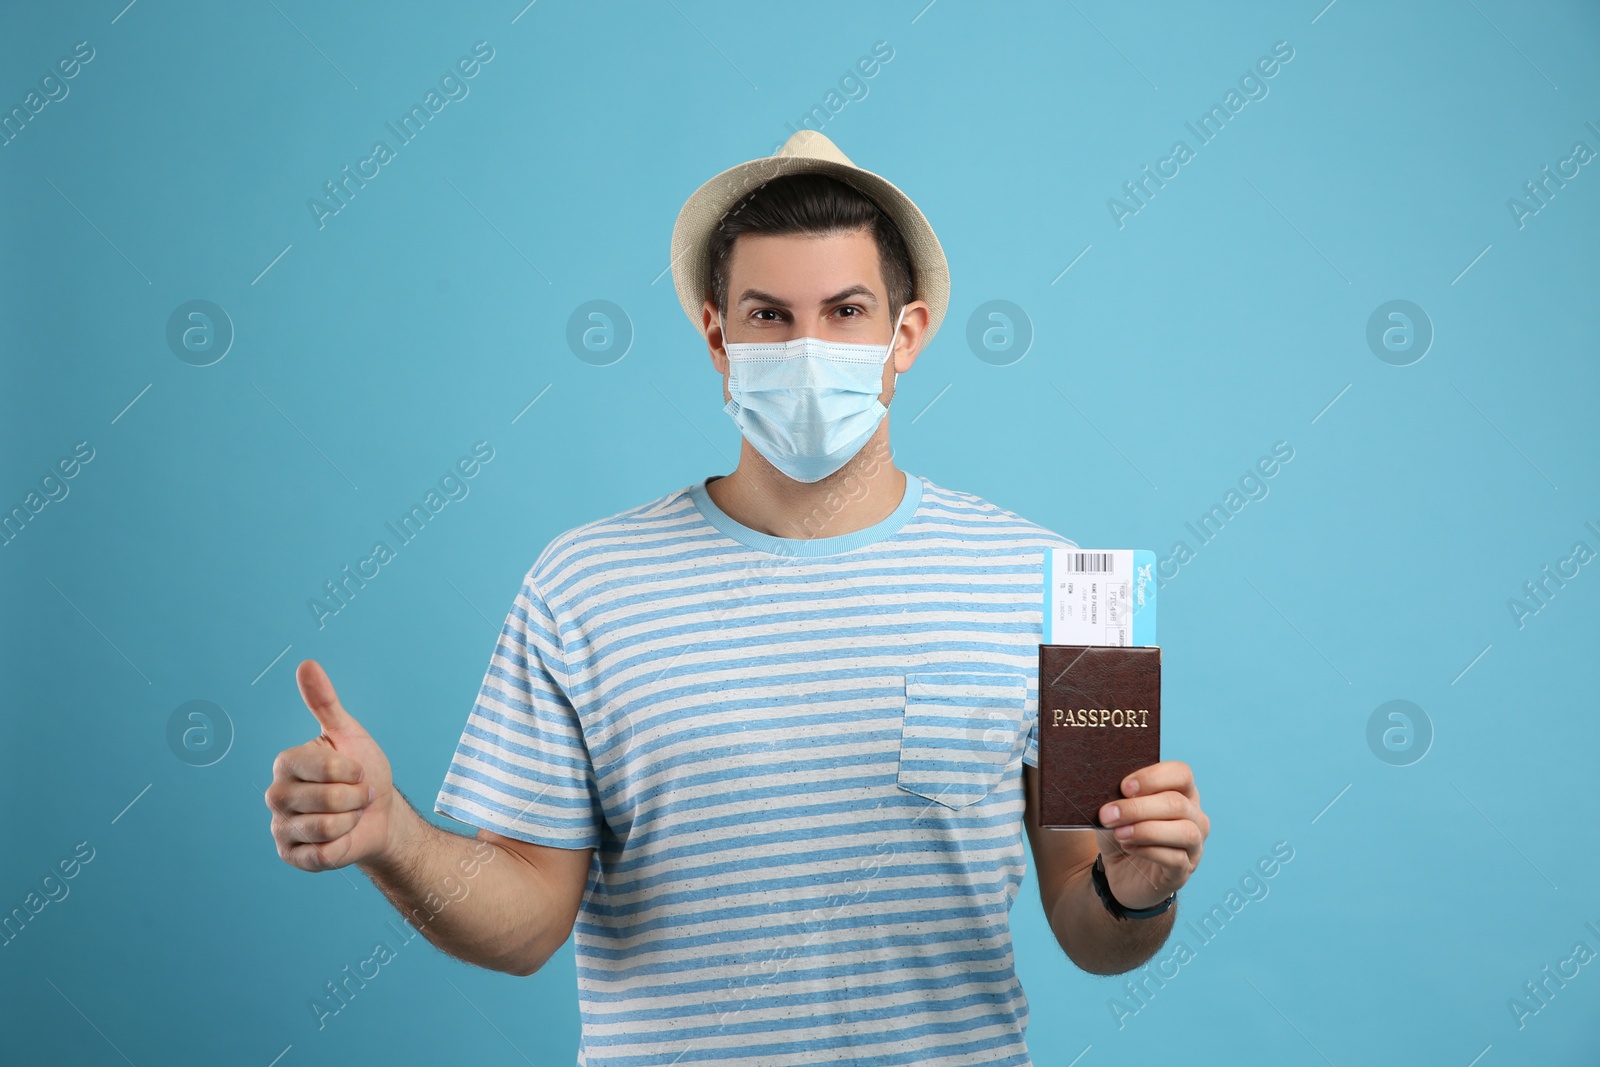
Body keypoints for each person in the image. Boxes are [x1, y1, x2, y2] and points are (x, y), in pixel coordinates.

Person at [265, 130, 1210, 1065]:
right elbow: (523, 926)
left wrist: (1138, 888)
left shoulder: (1082, 593)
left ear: (905, 334)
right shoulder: (581, 583)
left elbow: (1098, 934)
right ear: (717, 335)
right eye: (768, 316)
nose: (807, 348)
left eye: (845, 312)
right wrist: (391, 834)